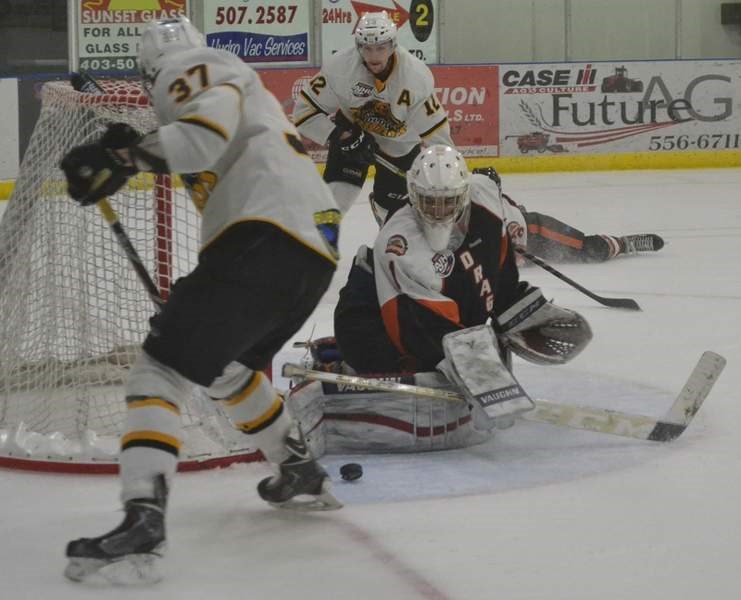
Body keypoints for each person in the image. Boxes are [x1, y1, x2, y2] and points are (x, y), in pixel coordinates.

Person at [58, 16, 342, 583]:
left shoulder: (181, 67)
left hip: (264, 236)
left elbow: (203, 136)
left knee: (159, 371)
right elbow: (209, 141)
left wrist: (123, 159)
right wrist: (132, 147)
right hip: (310, 249)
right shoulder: (222, 76)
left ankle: (143, 521)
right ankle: (298, 468)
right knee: (226, 367)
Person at [332, 145, 593, 377]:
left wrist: (518, 309)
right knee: (375, 356)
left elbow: (496, 273)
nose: (438, 211)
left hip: (429, 321)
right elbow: (412, 321)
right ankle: (358, 365)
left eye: (448, 202)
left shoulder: (486, 201)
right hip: (371, 317)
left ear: (464, 193)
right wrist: (458, 358)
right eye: (429, 202)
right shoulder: (399, 240)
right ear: (413, 194)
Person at [292, 10, 454, 224]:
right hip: (352, 137)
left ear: (393, 45)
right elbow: (303, 113)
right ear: (358, 46)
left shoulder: (415, 78)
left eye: (381, 47)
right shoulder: (339, 69)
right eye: (367, 48)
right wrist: (341, 136)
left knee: (394, 220)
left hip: (400, 149)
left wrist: (450, 173)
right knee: (332, 206)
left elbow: (438, 136)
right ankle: (317, 250)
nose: (374, 56)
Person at [470, 167, 665, 264]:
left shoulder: (506, 212)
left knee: (586, 248)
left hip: (535, 232)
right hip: (514, 248)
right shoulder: (463, 206)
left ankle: (624, 244)